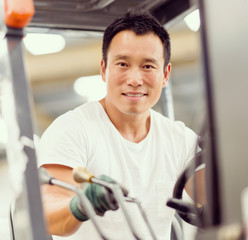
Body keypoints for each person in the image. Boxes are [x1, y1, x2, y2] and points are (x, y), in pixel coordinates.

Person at [38, 11, 202, 240]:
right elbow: (47, 213)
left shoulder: (181, 140)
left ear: (165, 74)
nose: (135, 79)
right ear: (104, 69)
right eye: (123, 64)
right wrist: (82, 205)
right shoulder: (72, 129)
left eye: (147, 66)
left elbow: (218, 198)